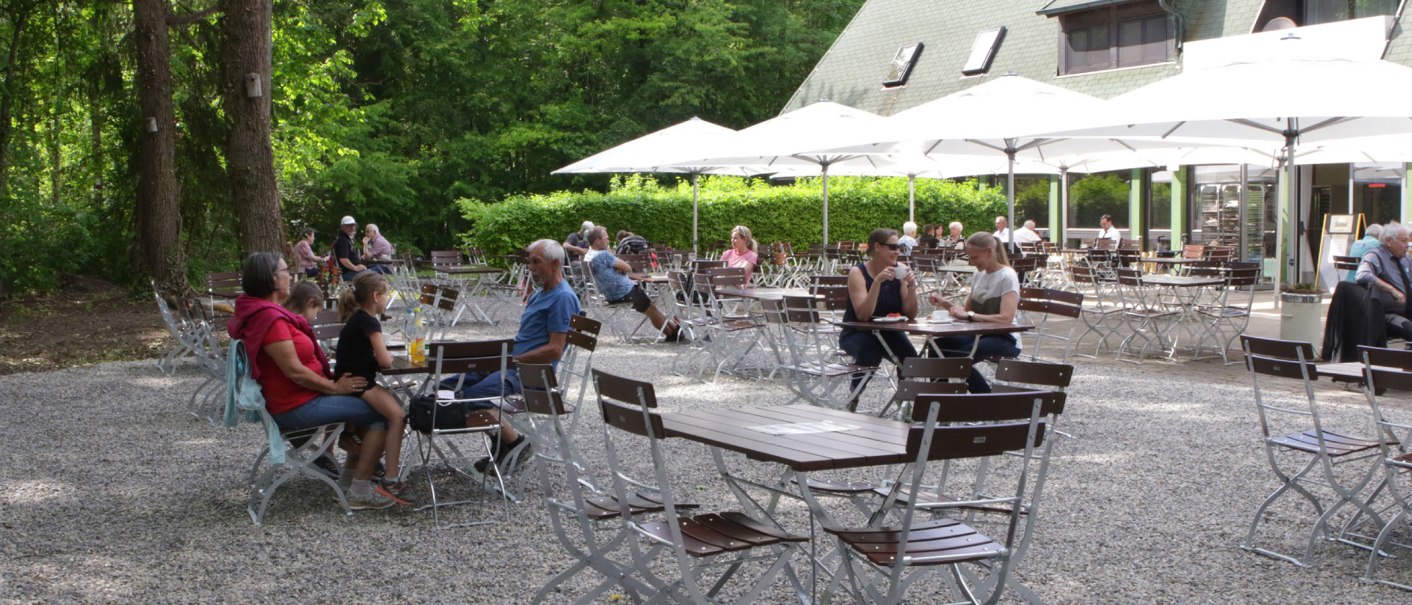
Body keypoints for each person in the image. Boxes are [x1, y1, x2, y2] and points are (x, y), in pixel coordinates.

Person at [227, 252, 405, 510]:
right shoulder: (270, 319)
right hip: (295, 405)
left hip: (297, 398)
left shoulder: (264, 313)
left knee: (371, 402)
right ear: (272, 279)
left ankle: (349, 478)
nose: (291, 275)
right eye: (286, 270)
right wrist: (334, 387)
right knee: (384, 414)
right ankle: (360, 490)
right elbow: (295, 371)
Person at [444, 239, 583, 472]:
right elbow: (524, 340)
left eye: (536, 262)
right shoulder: (539, 295)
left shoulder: (563, 298)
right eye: (529, 262)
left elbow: (555, 350)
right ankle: (504, 444)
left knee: (472, 399)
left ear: (555, 263)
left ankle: (515, 443)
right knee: (446, 388)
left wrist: (511, 360)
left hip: (532, 375)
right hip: (510, 366)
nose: (530, 268)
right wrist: (492, 356)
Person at [335, 273, 408, 494]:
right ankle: (392, 477)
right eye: (386, 295)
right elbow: (385, 361)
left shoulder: (356, 318)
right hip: (359, 384)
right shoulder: (370, 322)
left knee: (392, 411)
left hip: (348, 378)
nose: (387, 300)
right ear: (376, 296)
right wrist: (388, 358)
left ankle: (350, 473)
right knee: (398, 416)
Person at [927, 232, 1022, 393]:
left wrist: (969, 316)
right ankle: (939, 401)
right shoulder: (979, 274)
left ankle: (985, 401)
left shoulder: (1007, 276)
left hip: (1005, 338)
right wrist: (946, 305)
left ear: (989, 252)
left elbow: (1006, 319)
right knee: (936, 346)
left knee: (958, 358)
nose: (971, 262)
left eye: (974, 258)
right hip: (979, 334)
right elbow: (966, 311)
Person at [840, 228, 920, 409]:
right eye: (893, 247)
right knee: (870, 353)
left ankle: (904, 404)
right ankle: (854, 396)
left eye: (899, 247)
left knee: (911, 360)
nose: (898, 251)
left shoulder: (902, 270)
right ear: (877, 247)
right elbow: (862, 315)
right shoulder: (858, 273)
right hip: (857, 332)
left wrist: (912, 287)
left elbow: (911, 313)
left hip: (889, 333)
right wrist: (877, 283)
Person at [586, 226, 683, 340]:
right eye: (606, 238)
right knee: (651, 309)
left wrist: (617, 268)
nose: (608, 240)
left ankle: (674, 329)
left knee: (650, 306)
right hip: (624, 292)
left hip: (611, 293)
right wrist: (620, 268)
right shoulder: (603, 255)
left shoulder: (589, 255)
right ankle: (671, 333)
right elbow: (627, 268)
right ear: (597, 241)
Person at [1355, 222, 1412, 343]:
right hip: (1390, 313)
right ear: (1389, 241)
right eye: (1404, 241)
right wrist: (1392, 290)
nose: (1407, 245)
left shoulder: (1406, 258)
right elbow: (1362, 275)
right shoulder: (1375, 255)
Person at [333, 216, 369, 283]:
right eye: (348, 226)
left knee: (373, 274)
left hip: (351, 272)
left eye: (353, 225)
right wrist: (355, 268)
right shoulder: (343, 241)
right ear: (342, 227)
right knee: (373, 277)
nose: (352, 228)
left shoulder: (346, 239)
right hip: (348, 273)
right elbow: (343, 259)